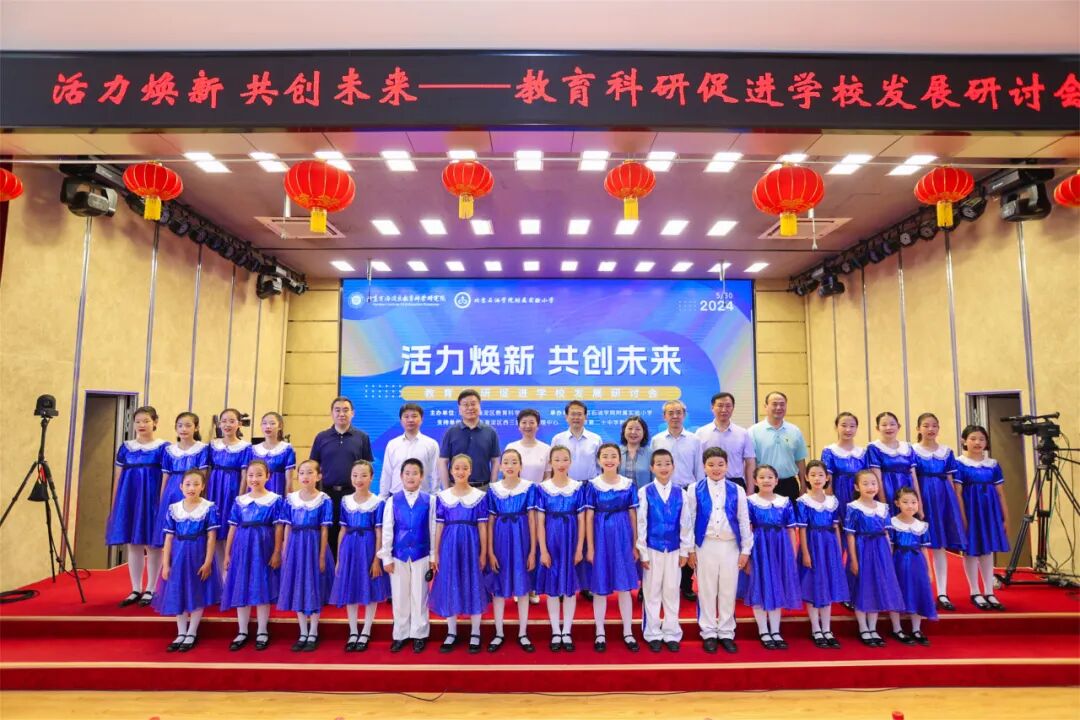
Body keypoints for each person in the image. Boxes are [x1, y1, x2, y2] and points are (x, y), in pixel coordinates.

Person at [686, 447, 753, 654]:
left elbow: (743, 520)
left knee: (728, 589)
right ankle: (708, 632)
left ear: (727, 466)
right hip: (705, 545)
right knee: (706, 590)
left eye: (720, 464)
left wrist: (746, 550)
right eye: (711, 465)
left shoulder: (737, 489)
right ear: (704, 467)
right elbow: (689, 520)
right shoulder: (694, 489)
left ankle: (726, 632)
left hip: (730, 545)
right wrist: (690, 550)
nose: (716, 468)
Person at [106, 405, 169, 608]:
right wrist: (116, 503)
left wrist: (162, 503)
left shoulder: (163, 448)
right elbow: (118, 477)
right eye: (138, 421)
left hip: (152, 498)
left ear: (155, 422)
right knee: (133, 544)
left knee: (153, 544)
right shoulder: (126, 447)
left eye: (146, 421)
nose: (141, 425)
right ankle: (135, 588)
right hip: (130, 498)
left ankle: (151, 588)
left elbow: (166, 477)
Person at [153, 469, 220, 653]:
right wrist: (165, 564)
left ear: (202, 486)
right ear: (181, 486)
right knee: (178, 591)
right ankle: (181, 631)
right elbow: (168, 538)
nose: (192, 488)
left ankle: (192, 632)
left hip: (198, 555)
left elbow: (211, 537)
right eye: (188, 484)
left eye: (196, 484)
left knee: (197, 591)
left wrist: (208, 561)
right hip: (178, 557)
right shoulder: (174, 509)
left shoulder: (208, 507)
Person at [220, 460, 284, 652]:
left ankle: (263, 630)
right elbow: (233, 528)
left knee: (262, 585)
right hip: (242, 547)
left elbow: (279, 528)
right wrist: (227, 553)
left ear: (268, 476)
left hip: (264, 547)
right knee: (242, 584)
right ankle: (242, 630)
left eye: (259, 475)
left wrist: (277, 551)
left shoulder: (275, 500)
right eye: (250, 475)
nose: (254, 479)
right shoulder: (240, 500)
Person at [430, 454, 490, 655]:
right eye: (457, 468)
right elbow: (439, 526)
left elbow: (483, 527)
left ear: (470, 470)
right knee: (450, 583)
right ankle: (451, 631)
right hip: (449, 545)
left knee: (473, 583)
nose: (461, 471)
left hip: (472, 544)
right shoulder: (442, 497)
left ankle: (475, 632)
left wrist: (483, 552)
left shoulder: (480, 496)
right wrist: (435, 553)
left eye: (465, 468)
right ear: (451, 471)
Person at [584, 443, 641, 654]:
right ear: (599, 460)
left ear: (619, 460)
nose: (609, 460)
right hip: (600, 536)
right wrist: (590, 547)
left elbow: (633, 515)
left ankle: (628, 631)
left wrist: (635, 543)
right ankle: (600, 631)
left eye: (613, 456)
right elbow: (588, 517)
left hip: (623, 536)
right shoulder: (592, 485)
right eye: (605, 456)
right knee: (600, 586)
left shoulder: (628, 484)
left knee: (624, 587)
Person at [329, 460, 391, 653]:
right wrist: (339, 558)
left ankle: (366, 630)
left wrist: (376, 559)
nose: (359, 479)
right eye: (355, 475)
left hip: (369, 547)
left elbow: (379, 532)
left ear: (372, 477)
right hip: (349, 548)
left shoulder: (378, 502)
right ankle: (353, 631)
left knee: (370, 588)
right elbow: (342, 530)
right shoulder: (345, 500)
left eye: (364, 475)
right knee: (351, 588)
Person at [635, 448, 691, 653]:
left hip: (674, 549)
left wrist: (685, 551)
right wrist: (642, 552)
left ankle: (671, 632)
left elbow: (686, 523)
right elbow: (641, 523)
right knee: (652, 592)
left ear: (673, 466)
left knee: (672, 591)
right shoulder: (645, 492)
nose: (663, 467)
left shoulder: (681, 493)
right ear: (652, 468)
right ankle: (652, 633)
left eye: (667, 463)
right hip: (652, 548)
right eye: (659, 464)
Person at [379, 458, 437, 653]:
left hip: (422, 553)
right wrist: (386, 557)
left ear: (422, 477)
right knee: (399, 595)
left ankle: (419, 634)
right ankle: (401, 634)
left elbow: (433, 528)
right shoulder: (392, 500)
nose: (411, 477)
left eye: (415, 473)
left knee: (420, 595)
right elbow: (388, 529)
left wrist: (433, 556)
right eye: (407, 473)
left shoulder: (430, 500)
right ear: (401, 476)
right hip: (399, 554)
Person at [277, 459, 334, 652]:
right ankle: (302, 631)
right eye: (302, 472)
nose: (305, 476)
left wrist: (321, 555)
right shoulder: (290, 499)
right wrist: (285, 549)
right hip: (295, 546)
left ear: (318, 476)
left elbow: (324, 529)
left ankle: (313, 631)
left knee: (314, 586)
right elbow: (287, 526)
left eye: (310, 472)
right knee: (298, 586)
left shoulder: (324, 499)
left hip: (314, 545)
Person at [743, 465, 802, 651]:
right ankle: (763, 630)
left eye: (770, 477)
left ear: (776, 481)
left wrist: (792, 554)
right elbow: (746, 530)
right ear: (755, 481)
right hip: (759, 548)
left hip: (780, 548)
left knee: (777, 586)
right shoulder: (750, 502)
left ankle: (775, 630)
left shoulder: (785, 501)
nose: (766, 480)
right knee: (760, 585)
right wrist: (747, 556)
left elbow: (791, 529)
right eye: (762, 477)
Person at [912, 412, 967, 611]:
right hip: (922, 496)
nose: (930, 429)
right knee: (920, 545)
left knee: (940, 546)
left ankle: (942, 592)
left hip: (944, 498)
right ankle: (922, 590)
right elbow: (912, 477)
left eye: (934, 425)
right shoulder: (912, 451)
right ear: (918, 428)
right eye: (926, 425)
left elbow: (951, 480)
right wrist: (917, 504)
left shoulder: (946, 452)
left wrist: (954, 506)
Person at [534, 445, 587, 653]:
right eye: (556, 459)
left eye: (565, 459)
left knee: (570, 587)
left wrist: (579, 548)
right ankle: (556, 630)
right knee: (553, 587)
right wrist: (543, 550)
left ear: (570, 462)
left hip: (571, 539)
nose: (561, 463)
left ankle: (567, 630)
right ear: (550, 462)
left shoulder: (578, 487)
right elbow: (539, 522)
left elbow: (582, 520)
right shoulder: (542, 488)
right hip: (551, 539)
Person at [485, 448, 537, 653]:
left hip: (522, 540)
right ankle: (498, 632)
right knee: (499, 586)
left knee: (522, 586)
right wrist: (490, 551)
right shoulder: (493, 489)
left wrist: (532, 551)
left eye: (514, 462)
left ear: (521, 466)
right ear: (500, 466)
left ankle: (523, 633)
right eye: (506, 462)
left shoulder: (529, 488)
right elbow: (490, 522)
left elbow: (532, 520)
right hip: (500, 540)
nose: (510, 466)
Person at [651, 400, 704, 602]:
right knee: (665, 535)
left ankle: (686, 584)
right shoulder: (657, 440)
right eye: (670, 413)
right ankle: (662, 582)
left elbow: (699, 470)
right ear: (664, 416)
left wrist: (698, 494)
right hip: (663, 492)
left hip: (687, 491)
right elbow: (654, 468)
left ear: (684, 415)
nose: (675, 416)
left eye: (678, 412)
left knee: (687, 536)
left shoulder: (695, 440)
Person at [845, 469, 905, 647]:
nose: (870, 487)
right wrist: (853, 559)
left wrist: (889, 555)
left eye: (873, 483)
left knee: (876, 586)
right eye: (865, 484)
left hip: (880, 551)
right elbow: (850, 535)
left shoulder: (883, 507)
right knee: (863, 587)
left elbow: (887, 534)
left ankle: (873, 627)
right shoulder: (853, 507)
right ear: (857, 487)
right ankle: (863, 627)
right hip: (862, 549)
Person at [955, 425, 1010, 612]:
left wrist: (1005, 517)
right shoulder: (959, 464)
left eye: (981, 439)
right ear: (964, 441)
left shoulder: (993, 464)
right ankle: (974, 591)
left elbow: (1000, 493)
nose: (977, 442)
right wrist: (962, 517)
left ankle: (989, 591)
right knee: (971, 550)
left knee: (987, 550)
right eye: (973, 438)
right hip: (971, 510)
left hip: (989, 511)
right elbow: (958, 493)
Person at [310, 397, 373, 553]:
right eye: (337, 410)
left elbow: (367, 468)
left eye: (346, 410)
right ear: (331, 413)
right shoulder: (321, 437)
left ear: (353, 413)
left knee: (350, 535)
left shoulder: (362, 437)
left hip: (353, 495)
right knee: (328, 536)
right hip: (327, 494)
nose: (341, 414)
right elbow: (314, 467)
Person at [796, 460, 848, 649]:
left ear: (827, 478)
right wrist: (805, 553)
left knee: (828, 585)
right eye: (813, 475)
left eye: (820, 475)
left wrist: (839, 551)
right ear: (806, 478)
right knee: (813, 584)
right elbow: (802, 529)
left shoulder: (832, 501)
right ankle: (816, 628)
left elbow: (836, 528)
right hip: (812, 544)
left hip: (829, 546)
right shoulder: (803, 501)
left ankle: (827, 628)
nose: (817, 478)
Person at [153, 412, 210, 552]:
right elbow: (165, 476)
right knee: (170, 533)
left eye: (188, 425)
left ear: (196, 428)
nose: (183, 429)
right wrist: (162, 498)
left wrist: (201, 497)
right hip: (172, 491)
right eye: (180, 426)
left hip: (192, 490)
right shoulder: (169, 450)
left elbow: (203, 475)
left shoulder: (202, 449)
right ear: (176, 428)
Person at [888, 487, 937, 646]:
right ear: (897, 503)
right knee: (897, 592)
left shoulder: (921, 526)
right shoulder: (892, 523)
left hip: (917, 564)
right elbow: (890, 548)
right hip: (899, 562)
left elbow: (924, 549)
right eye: (905, 502)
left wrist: (929, 570)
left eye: (914, 502)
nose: (910, 506)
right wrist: (888, 568)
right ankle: (897, 628)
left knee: (918, 592)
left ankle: (916, 628)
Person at [207, 408, 252, 570]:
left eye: (232, 421)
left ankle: (230, 571)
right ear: (219, 424)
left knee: (230, 529)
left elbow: (245, 474)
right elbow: (207, 470)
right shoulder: (213, 445)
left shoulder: (245, 447)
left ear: (239, 424)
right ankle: (218, 573)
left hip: (233, 489)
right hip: (215, 489)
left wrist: (240, 496)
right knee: (215, 529)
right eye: (224, 421)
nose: (227, 425)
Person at [749, 391, 808, 502]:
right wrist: (750, 489)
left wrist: (804, 487)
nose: (779, 407)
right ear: (766, 406)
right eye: (774, 404)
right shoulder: (754, 431)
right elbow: (750, 463)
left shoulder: (795, 431)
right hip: (763, 485)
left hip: (789, 484)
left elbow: (800, 460)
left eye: (782, 404)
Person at [438, 389, 500, 490]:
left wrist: (492, 487)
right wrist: (446, 489)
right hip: (456, 487)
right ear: (459, 409)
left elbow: (495, 460)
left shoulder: (490, 432)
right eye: (465, 405)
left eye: (473, 404)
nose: (470, 408)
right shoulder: (451, 432)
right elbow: (443, 461)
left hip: (483, 488)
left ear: (479, 406)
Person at [695, 392, 756, 491]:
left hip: (736, 483)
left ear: (733, 408)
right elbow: (697, 463)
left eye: (728, 406)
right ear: (712, 407)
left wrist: (750, 491)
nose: (724, 410)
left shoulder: (742, 433)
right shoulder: (701, 432)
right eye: (720, 406)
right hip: (709, 484)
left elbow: (750, 463)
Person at [379, 403, 440, 496]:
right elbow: (387, 473)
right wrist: (384, 497)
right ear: (401, 420)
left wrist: (435, 496)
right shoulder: (392, 444)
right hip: (396, 497)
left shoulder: (431, 444)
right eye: (406, 417)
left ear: (421, 419)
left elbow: (435, 473)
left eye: (414, 416)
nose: (410, 420)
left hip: (422, 497)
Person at [867, 411, 919, 515]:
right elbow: (877, 479)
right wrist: (883, 505)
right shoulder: (874, 448)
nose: (888, 428)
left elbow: (914, 477)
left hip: (908, 491)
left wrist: (919, 505)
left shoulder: (908, 447)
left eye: (892, 424)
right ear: (877, 428)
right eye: (884, 425)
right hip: (887, 490)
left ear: (898, 426)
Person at [820, 412, 867, 511]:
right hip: (839, 496)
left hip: (860, 498)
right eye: (844, 425)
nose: (848, 429)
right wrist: (831, 505)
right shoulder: (829, 451)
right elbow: (827, 481)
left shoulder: (863, 453)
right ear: (836, 427)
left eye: (852, 426)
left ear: (856, 428)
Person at [551, 400, 602, 483]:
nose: (576, 418)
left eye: (579, 414)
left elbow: (600, 465)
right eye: (573, 414)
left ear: (585, 417)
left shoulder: (596, 439)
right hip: (565, 484)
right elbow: (553, 465)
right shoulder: (558, 439)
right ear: (566, 417)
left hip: (590, 485)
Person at [251, 412, 296, 497]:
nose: (268, 426)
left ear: (280, 426)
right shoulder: (253, 449)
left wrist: (288, 501)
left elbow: (289, 482)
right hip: (256, 494)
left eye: (272, 423)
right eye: (264, 423)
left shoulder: (287, 449)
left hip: (277, 492)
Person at [506, 408, 551, 484]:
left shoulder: (546, 449)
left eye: (531, 422)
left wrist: (538, 489)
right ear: (519, 426)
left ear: (537, 426)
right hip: (516, 490)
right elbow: (506, 474)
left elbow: (548, 476)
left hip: (538, 490)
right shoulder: (511, 447)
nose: (527, 426)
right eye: (524, 422)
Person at [618, 415, 653, 490]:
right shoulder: (616, 452)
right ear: (624, 431)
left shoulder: (651, 454)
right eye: (630, 428)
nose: (633, 432)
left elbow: (655, 481)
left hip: (644, 496)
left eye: (638, 429)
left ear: (644, 432)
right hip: (619, 496)